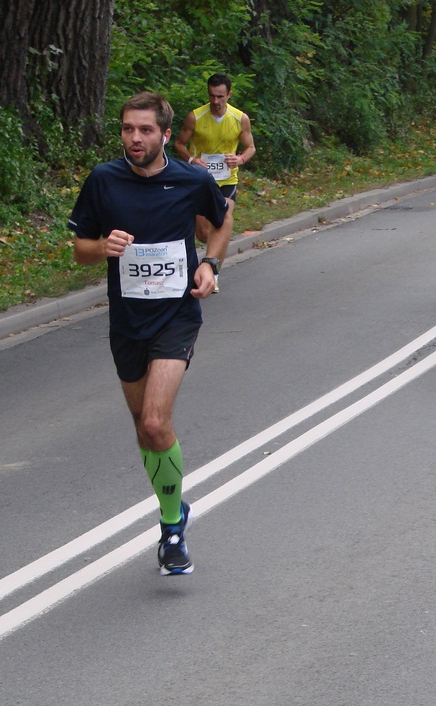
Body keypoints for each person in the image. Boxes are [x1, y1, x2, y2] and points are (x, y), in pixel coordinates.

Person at [69, 92, 232, 575]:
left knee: (157, 423)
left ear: (165, 135)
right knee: (143, 426)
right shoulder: (103, 180)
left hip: (176, 316)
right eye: (127, 129)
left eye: (144, 130)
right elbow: (79, 249)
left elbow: (219, 225)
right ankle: (174, 506)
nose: (134, 138)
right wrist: (103, 246)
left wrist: (210, 263)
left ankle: (171, 529)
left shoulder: (191, 179)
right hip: (127, 323)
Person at [173, 73, 255, 293]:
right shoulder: (195, 117)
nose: (216, 101)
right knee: (203, 232)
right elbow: (179, 144)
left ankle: (213, 272)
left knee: (224, 218)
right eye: (212, 96)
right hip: (200, 179)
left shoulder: (240, 118)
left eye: (220, 96)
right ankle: (210, 261)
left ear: (229, 94)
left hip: (227, 179)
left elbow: (250, 147)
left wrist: (239, 159)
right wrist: (192, 160)